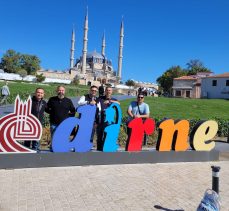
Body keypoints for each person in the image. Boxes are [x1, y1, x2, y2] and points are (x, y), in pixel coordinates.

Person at [96, 86, 120, 151]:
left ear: (111, 92)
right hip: (100, 120)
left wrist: (109, 101)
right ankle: (99, 150)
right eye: (107, 90)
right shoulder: (100, 98)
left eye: (109, 90)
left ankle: (105, 149)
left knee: (107, 136)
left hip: (109, 121)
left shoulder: (114, 100)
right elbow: (95, 104)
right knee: (99, 136)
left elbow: (118, 103)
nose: (108, 91)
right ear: (105, 91)